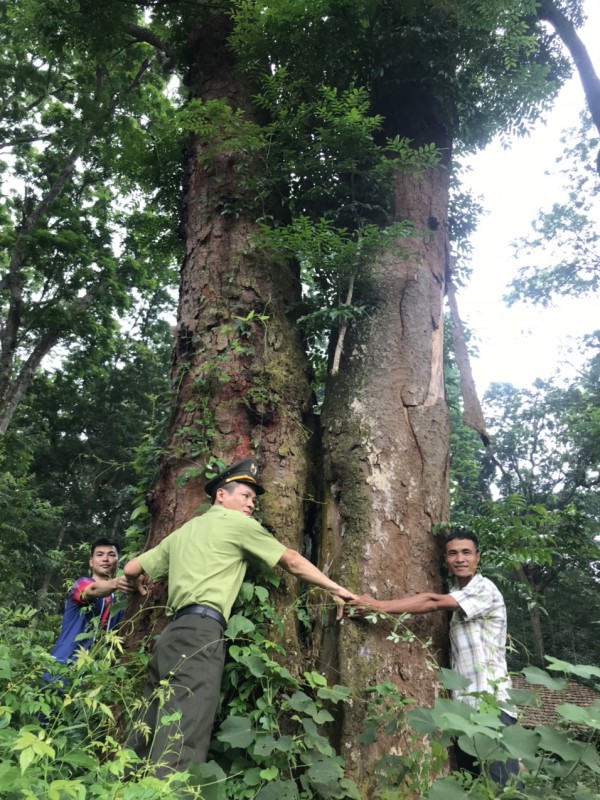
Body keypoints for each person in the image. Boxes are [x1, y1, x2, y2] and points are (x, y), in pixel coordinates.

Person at [123, 457, 356, 776]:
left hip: (170, 636)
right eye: (245, 496)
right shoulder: (238, 525)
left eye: (254, 500)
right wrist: (334, 588)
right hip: (201, 634)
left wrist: (136, 581)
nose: (251, 505)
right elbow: (291, 560)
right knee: (183, 733)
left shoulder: (185, 530)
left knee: (145, 729)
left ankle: (122, 788)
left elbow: (131, 568)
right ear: (221, 494)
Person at [348, 528, 520, 789]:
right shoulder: (458, 592)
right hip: (465, 711)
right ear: (445, 559)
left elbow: (432, 601)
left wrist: (377, 606)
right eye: (453, 553)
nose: (460, 559)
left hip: (491, 706)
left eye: (466, 552)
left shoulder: (484, 589)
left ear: (478, 557)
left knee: (503, 790)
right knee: (476, 790)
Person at [45, 537, 134, 679]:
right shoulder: (81, 584)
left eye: (111, 555)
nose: (105, 559)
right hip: (62, 668)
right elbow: (91, 591)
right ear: (91, 562)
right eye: (99, 554)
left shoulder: (123, 599)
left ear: (118, 562)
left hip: (97, 675)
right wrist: (117, 582)